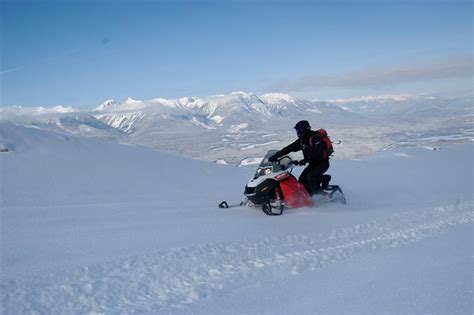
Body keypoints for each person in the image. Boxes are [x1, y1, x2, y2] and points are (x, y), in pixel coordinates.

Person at [269, 120, 330, 196]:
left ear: (306, 129)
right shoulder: (302, 141)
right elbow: (289, 148)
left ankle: (323, 195)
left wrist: (305, 160)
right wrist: (276, 156)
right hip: (313, 163)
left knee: (310, 178)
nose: (299, 133)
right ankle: (309, 196)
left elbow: (319, 153)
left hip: (322, 163)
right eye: (297, 131)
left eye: (300, 130)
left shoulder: (314, 138)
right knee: (301, 180)